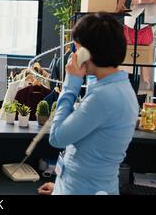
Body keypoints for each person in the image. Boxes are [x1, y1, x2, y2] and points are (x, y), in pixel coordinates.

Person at [39, 13, 139, 195]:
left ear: (87, 52)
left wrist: (71, 83)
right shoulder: (118, 87)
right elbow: (90, 150)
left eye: (77, 47)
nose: (74, 53)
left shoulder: (104, 96)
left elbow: (57, 137)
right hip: (79, 186)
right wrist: (60, 185)